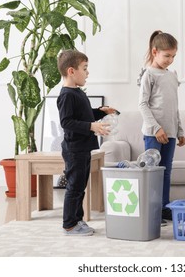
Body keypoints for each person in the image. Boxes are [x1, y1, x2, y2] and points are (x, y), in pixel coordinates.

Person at [57, 49, 118, 236]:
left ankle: (77, 219)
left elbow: (85, 115)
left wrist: (101, 111)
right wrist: (92, 127)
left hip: (82, 148)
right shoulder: (67, 95)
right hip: (74, 149)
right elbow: (66, 122)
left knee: (80, 187)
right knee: (74, 187)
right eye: (84, 68)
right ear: (71, 71)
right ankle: (69, 224)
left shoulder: (78, 92)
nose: (87, 72)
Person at [138, 30, 185, 225]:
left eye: (173, 56)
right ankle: (151, 210)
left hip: (171, 133)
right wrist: (156, 128)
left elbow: (174, 106)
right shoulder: (148, 74)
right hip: (153, 133)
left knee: (166, 172)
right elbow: (142, 104)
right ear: (155, 51)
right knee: (153, 172)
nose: (170, 60)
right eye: (167, 56)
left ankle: (164, 208)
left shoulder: (172, 76)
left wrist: (180, 130)